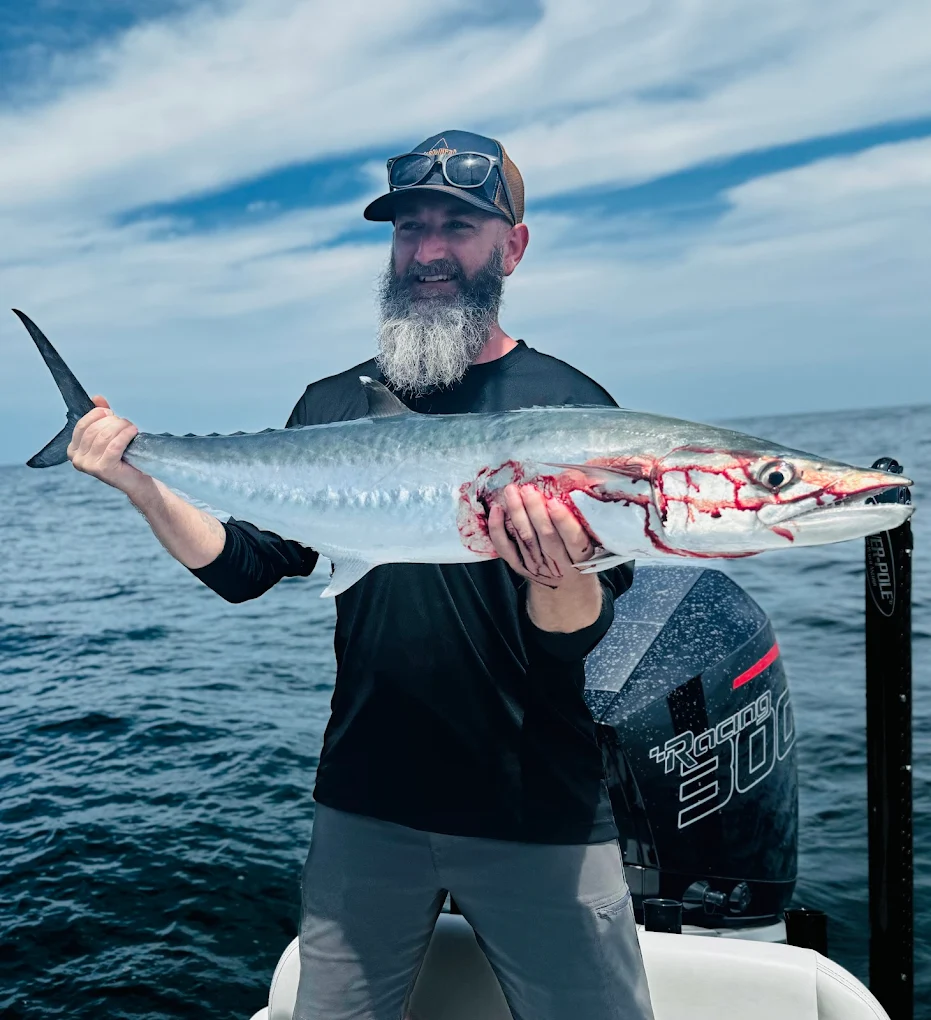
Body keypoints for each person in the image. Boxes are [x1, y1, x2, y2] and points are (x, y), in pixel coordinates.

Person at [67, 130, 655, 1020]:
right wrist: (138, 478)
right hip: (363, 808)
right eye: (407, 228)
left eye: (457, 226)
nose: (426, 251)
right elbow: (246, 567)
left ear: (513, 246)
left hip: (539, 811)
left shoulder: (574, 409)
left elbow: (580, 626)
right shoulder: (331, 404)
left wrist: (553, 571)